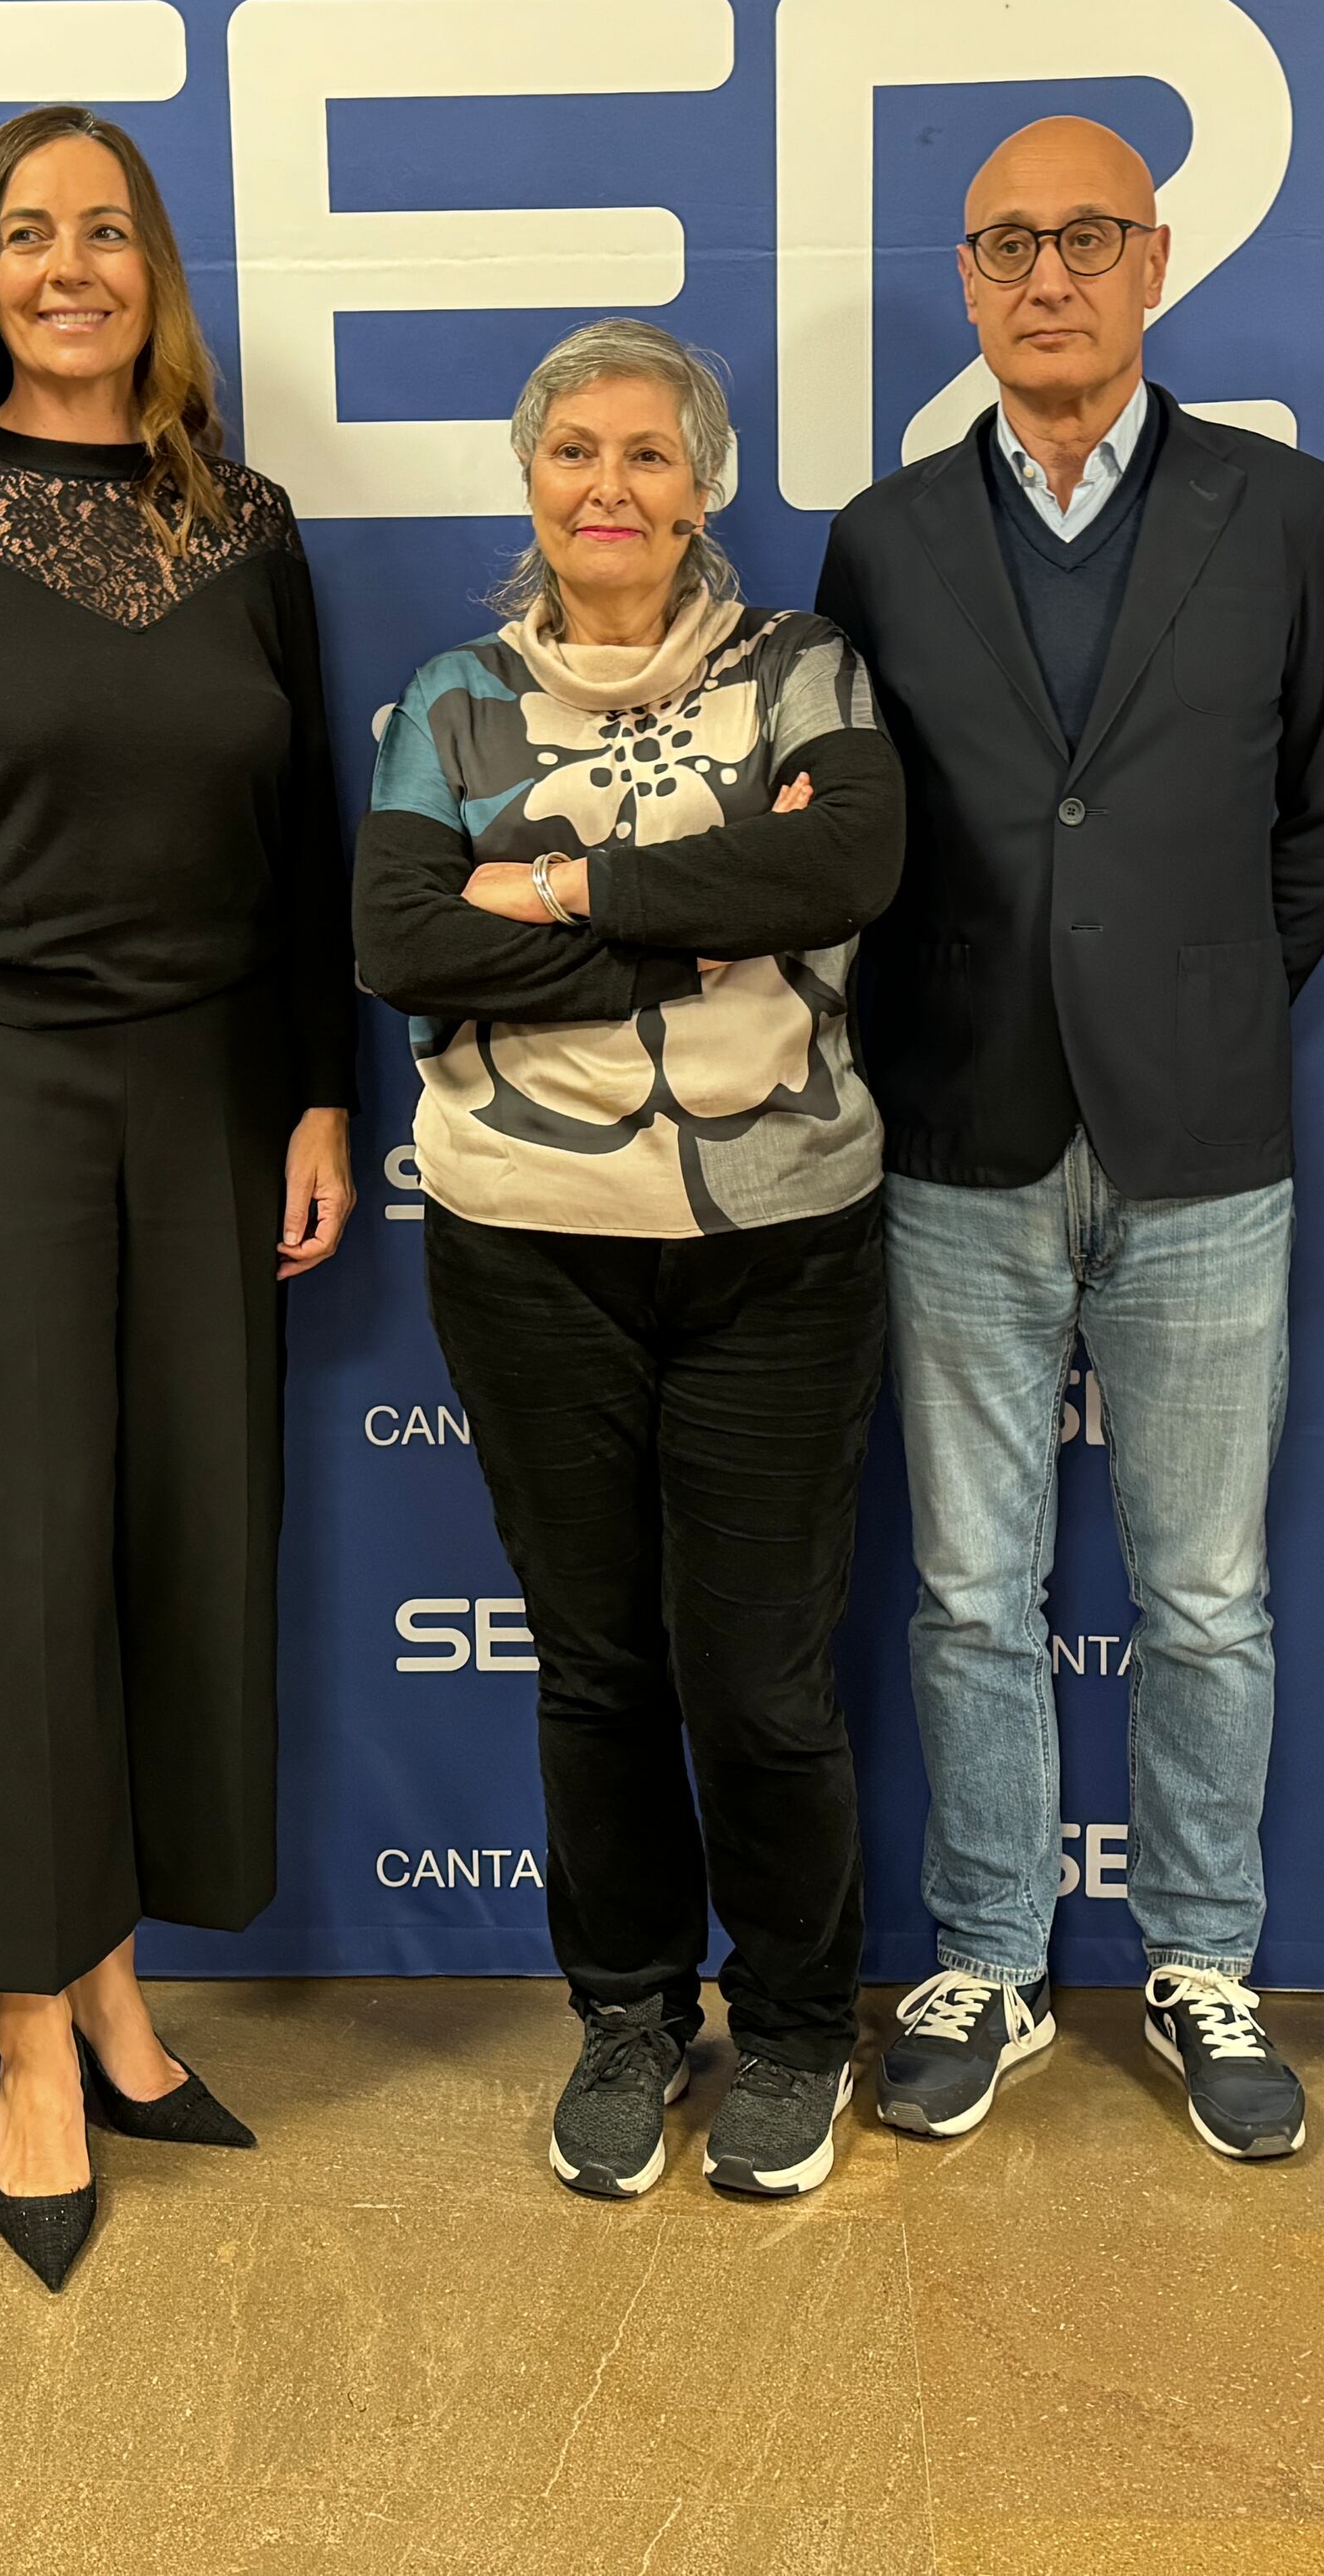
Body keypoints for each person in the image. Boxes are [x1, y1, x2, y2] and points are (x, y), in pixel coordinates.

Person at [0, 106, 354, 2293]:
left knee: (179, 1551)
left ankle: (122, 1986)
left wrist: (321, 1091)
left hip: (221, 1093)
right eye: (26, 233)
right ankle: (32, 2034)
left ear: (155, 268)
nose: (68, 266)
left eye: (102, 230)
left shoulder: (247, 519)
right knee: (15, 1571)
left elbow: (309, 850)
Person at [816, 116, 1324, 2165]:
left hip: (1204, 1142)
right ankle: (984, 1951)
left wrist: (1207, 995)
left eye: (1083, 239)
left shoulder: (1284, 510)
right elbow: (848, 830)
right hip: (955, 1123)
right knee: (970, 1586)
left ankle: (1203, 1954)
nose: (1044, 279)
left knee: (1205, 1590)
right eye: (1003, 247)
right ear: (964, 284)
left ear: (1155, 263)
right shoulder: (881, 540)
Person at [355, 321, 907, 2204]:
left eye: (650, 456)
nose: (611, 488)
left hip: (778, 1246)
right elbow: (399, 940)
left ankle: (803, 2026)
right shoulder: (451, 699)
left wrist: (573, 887)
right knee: (596, 1666)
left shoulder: (801, 669)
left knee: (756, 1676)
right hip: (527, 1253)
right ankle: (627, 2011)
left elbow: (841, 873)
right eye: (574, 453)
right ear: (530, 485)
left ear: (708, 484)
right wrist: (698, 920)